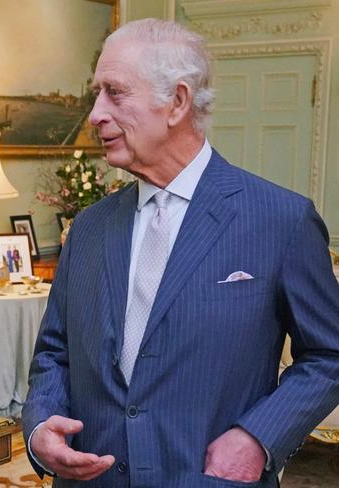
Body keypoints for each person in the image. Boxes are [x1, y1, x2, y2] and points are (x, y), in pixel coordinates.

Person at [22, 18, 339, 487]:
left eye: (114, 92)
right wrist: (42, 428)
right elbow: (54, 352)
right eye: (96, 94)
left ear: (177, 102)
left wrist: (257, 437)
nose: (94, 115)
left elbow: (329, 355)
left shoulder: (280, 219)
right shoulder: (88, 227)